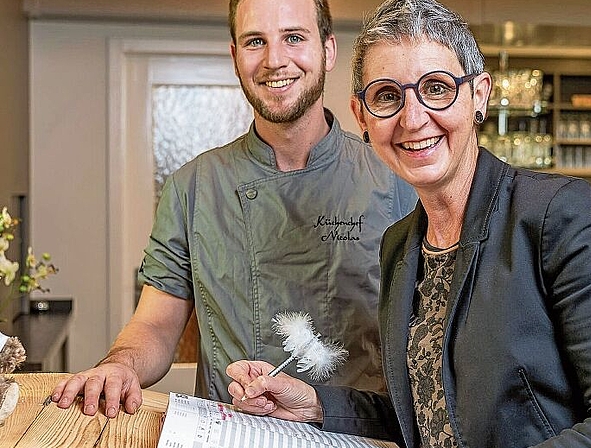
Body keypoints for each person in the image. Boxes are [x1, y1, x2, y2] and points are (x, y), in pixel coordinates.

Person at [225, 0, 591, 446]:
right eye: (387, 96)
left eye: (437, 88)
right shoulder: (400, 245)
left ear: (478, 95)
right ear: (362, 115)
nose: (413, 118)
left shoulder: (557, 213)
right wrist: (314, 403)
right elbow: (424, 412)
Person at [50, 0, 416, 419]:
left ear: (328, 50)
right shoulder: (192, 188)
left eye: (293, 37)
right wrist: (119, 366)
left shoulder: (395, 180)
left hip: (356, 434)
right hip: (233, 431)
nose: (275, 60)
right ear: (235, 55)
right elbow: (155, 325)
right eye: (255, 41)